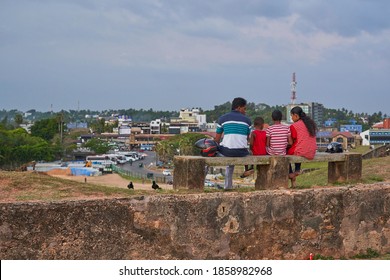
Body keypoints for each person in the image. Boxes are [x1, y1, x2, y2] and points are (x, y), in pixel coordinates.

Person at [215, 97, 251, 190]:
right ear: (239, 108)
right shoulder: (247, 121)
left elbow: (217, 140)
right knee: (232, 156)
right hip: (242, 152)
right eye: (244, 108)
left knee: (208, 156)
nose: (245, 111)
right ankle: (228, 186)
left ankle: (227, 186)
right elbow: (246, 139)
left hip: (227, 152)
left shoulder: (222, 119)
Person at [287, 106, 318, 187]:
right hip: (312, 150)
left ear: (296, 115)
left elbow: (293, 140)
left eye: (292, 115)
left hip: (302, 150)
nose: (291, 117)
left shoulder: (294, 126)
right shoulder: (310, 124)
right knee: (299, 146)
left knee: (286, 153)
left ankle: (290, 173)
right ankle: (297, 169)